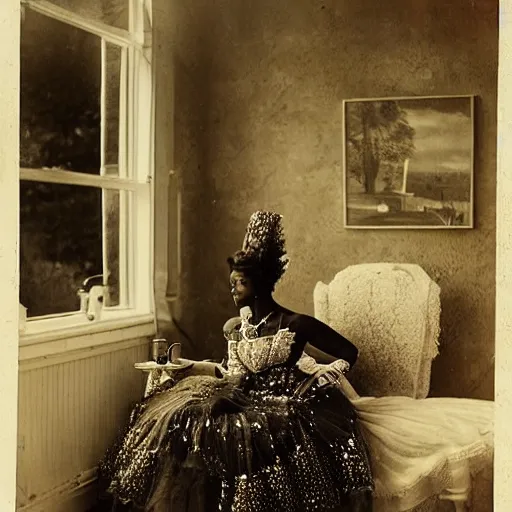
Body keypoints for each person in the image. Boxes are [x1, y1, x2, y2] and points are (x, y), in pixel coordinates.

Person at [99, 211, 374, 512]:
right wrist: (187, 369)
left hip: (287, 403)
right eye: (232, 282)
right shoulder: (237, 328)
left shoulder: (296, 323)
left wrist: (326, 375)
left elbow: (349, 352)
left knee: (257, 434)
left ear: (258, 284)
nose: (232, 289)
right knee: (186, 418)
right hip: (245, 397)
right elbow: (233, 375)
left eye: (239, 282)